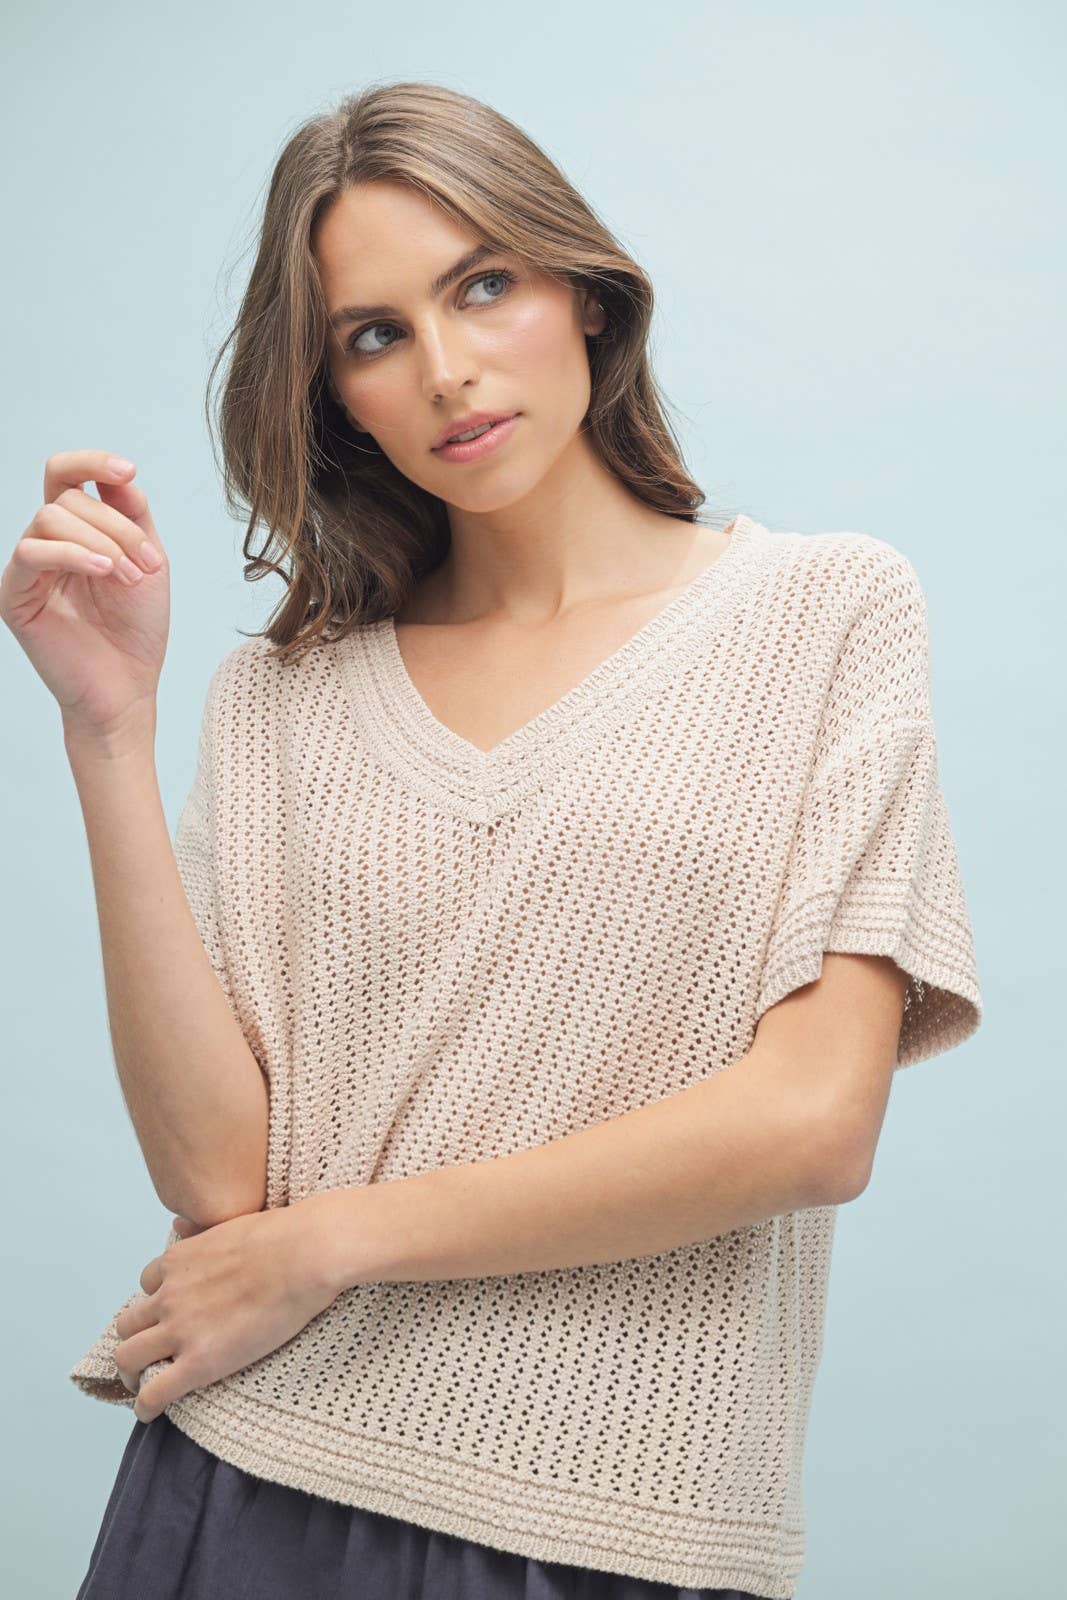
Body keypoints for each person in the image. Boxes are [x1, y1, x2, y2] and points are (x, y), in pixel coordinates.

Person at [4, 81, 982, 1600]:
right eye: (373, 334)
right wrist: (108, 729)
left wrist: (331, 1245)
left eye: (482, 286)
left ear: (584, 294)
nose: (447, 369)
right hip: (239, 1488)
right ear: (336, 393)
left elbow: (812, 1124)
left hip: (618, 1528)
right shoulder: (281, 699)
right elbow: (216, 1179)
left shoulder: (824, 614)